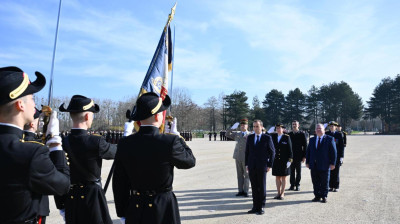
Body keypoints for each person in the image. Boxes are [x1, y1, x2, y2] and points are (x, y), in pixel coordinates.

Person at [0, 66, 70, 223]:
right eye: (32, 98)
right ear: (20, 105)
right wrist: (56, 144)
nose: (34, 104)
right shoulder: (31, 153)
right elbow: (63, 185)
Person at [113, 92, 196, 224]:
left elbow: (119, 182)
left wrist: (123, 212)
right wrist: (179, 137)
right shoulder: (170, 141)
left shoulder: (124, 143)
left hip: (136, 206)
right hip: (163, 208)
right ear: (158, 116)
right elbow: (190, 161)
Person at [56, 95, 117, 224]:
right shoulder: (96, 141)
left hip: (70, 197)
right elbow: (116, 152)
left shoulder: (61, 142)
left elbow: (58, 173)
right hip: (92, 198)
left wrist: (60, 205)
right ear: (88, 116)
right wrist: (127, 138)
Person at [23, 108, 51, 223]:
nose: (40, 123)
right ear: (32, 123)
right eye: (38, 120)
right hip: (35, 204)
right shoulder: (38, 146)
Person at [245, 119, 275, 215]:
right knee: (254, 187)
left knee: (261, 187)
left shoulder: (267, 138)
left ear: (262, 127)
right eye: (253, 126)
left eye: (257, 126)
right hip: (252, 166)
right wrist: (247, 164)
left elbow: (272, 152)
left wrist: (269, 165)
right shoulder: (250, 137)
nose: (255, 128)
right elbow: (247, 152)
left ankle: (261, 206)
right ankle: (255, 206)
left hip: (262, 166)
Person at [306, 123, 337, 203]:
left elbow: (333, 152)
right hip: (314, 164)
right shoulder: (312, 139)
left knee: (324, 181)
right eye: (317, 129)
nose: (318, 130)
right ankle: (317, 196)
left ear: (324, 130)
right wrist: (307, 162)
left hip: (325, 164)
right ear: (315, 131)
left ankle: (324, 196)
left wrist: (333, 163)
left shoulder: (330, 139)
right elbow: (308, 151)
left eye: (320, 129)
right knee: (315, 181)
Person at [226, 118, 251, 197]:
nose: (243, 126)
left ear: (247, 126)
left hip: (246, 158)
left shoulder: (250, 135)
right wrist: (232, 128)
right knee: (239, 175)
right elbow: (227, 134)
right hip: (238, 156)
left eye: (244, 125)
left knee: (247, 175)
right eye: (242, 125)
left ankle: (246, 191)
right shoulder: (237, 134)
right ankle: (240, 190)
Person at [271, 124, 293, 200]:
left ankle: (282, 193)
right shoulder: (273, 137)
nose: (278, 129)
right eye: (277, 128)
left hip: (284, 161)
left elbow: (290, 150)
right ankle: (278, 192)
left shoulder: (286, 137)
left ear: (283, 129)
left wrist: (290, 160)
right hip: (276, 161)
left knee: (284, 177)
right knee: (277, 177)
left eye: (280, 128)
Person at [288, 120, 308, 191]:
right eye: (293, 124)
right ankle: (292, 185)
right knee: (291, 171)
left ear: (298, 125)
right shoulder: (289, 134)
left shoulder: (302, 134)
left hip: (299, 156)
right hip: (291, 156)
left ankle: (297, 185)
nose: (294, 125)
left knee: (298, 171)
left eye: (295, 124)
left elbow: (305, 146)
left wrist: (304, 156)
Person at [325, 121, 344, 192]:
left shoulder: (339, 135)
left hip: (337, 156)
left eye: (333, 126)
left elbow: (341, 146)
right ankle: (331, 186)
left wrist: (342, 157)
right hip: (328, 156)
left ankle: (336, 186)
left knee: (336, 171)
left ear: (336, 127)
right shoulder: (326, 134)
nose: (331, 127)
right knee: (329, 172)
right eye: (330, 126)